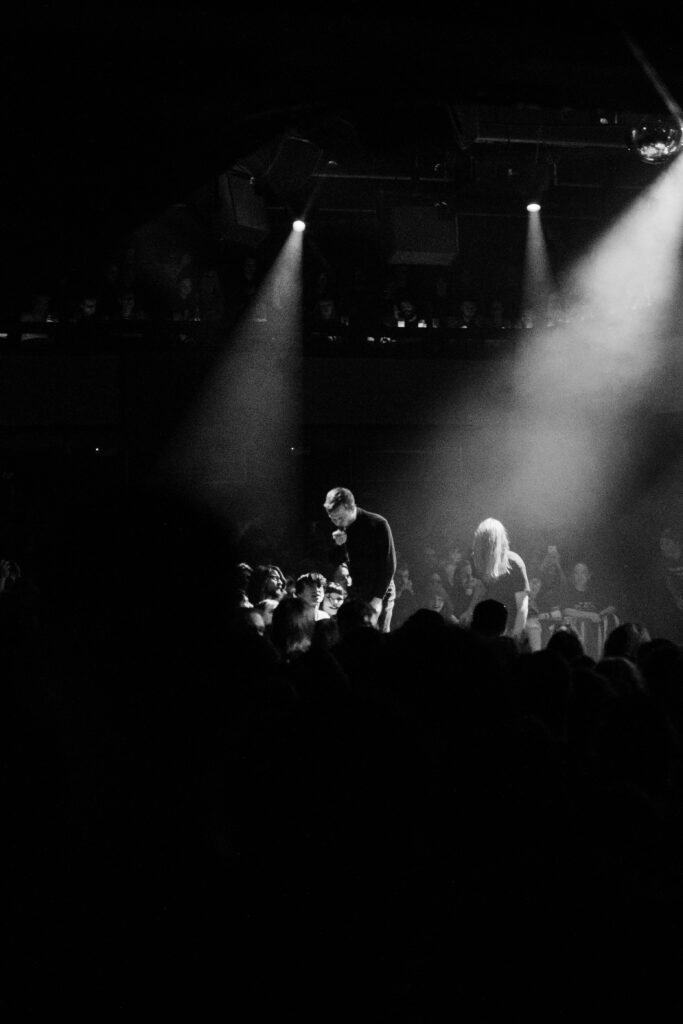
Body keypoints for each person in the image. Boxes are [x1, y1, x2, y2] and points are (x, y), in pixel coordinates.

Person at [323, 486, 397, 632]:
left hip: (381, 588)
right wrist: (338, 545)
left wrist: (378, 598)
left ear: (351, 508)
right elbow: (334, 561)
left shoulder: (377, 523)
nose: (337, 522)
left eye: (340, 518)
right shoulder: (340, 528)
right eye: (333, 518)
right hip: (358, 589)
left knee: (379, 635)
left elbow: (389, 564)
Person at [465, 517, 530, 640]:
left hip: (508, 624)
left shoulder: (514, 563)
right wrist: (470, 611)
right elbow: (481, 586)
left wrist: (514, 637)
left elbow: (522, 606)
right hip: (486, 622)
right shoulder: (477, 559)